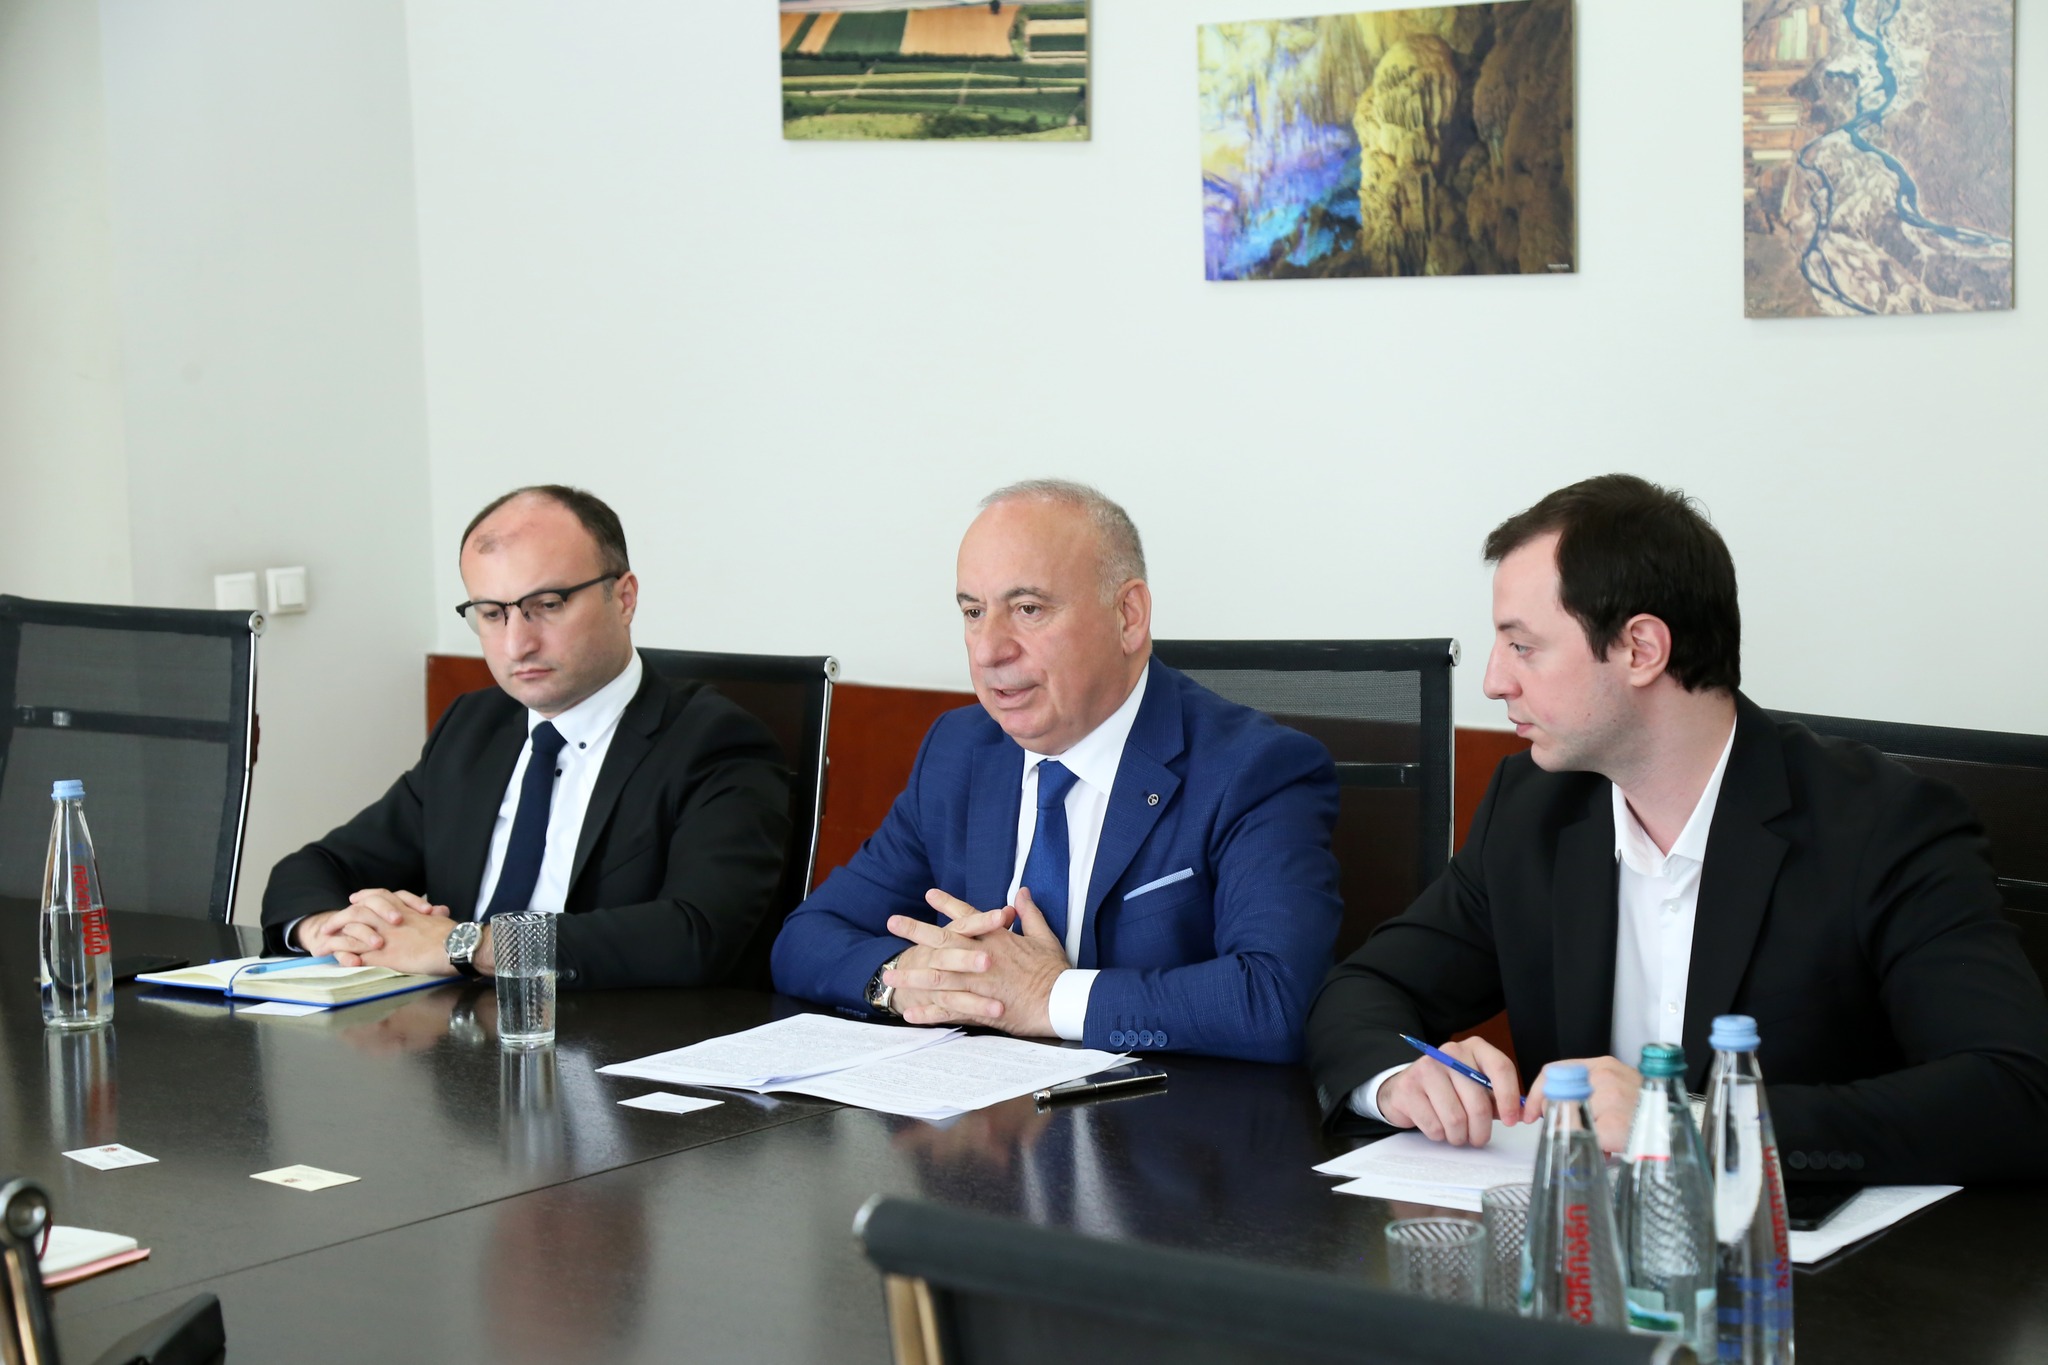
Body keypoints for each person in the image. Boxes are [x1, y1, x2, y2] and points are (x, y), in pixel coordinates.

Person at [1306, 474, 2048, 1183]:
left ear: (1641, 649)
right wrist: (1399, 1079)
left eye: (1523, 646)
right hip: (1579, 1245)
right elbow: (1368, 987)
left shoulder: (1885, 825)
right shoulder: (1532, 808)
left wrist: (1691, 1124)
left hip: (1806, 1257)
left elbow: (2015, 1091)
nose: (1495, 680)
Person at [770, 479, 1342, 1063]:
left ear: (1129, 616)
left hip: (1162, 1111)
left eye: (1028, 609)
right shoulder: (959, 750)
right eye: (973, 612)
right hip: (972, 1105)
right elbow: (806, 938)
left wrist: (1048, 996)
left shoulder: (1253, 769)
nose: (989, 650)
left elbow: (1276, 999)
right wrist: (906, 979)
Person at [260, 485, 791, 989]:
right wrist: (329, 927)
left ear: (624, 598)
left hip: (615, 1038)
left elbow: (696, 935)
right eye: (492, 614)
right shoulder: (474, 727)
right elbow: (317, 867)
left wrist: (468, 946)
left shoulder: (716, 742)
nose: (517, 644)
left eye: (549, 604)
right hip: (456, 1034)